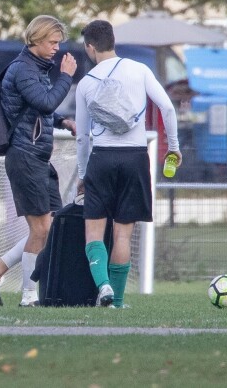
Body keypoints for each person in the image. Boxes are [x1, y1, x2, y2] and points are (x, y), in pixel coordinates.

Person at [0, 15, 77, 307]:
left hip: (37, 157)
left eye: (58, 43)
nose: (57, 48)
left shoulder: (35, 69)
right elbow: (44, 102)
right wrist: (66, 76)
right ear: (37, 40)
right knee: (41, 229)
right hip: (24, 157)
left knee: (50, 225)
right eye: (53, 42)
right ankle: (28, 296)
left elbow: (37, 110)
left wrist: (63, 122)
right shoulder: (24, 69)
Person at [75, 20, 180, 308]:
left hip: (102, 158)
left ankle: (104, 285)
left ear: (90, 47)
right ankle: (117, 302)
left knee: (94, 232)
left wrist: (83, 174)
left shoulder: (86, 83)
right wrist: (174, 147)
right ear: (113, 41)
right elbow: (168, 108)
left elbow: (83, 137)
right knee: (123, 234)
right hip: (135, 157)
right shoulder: (139, 69)